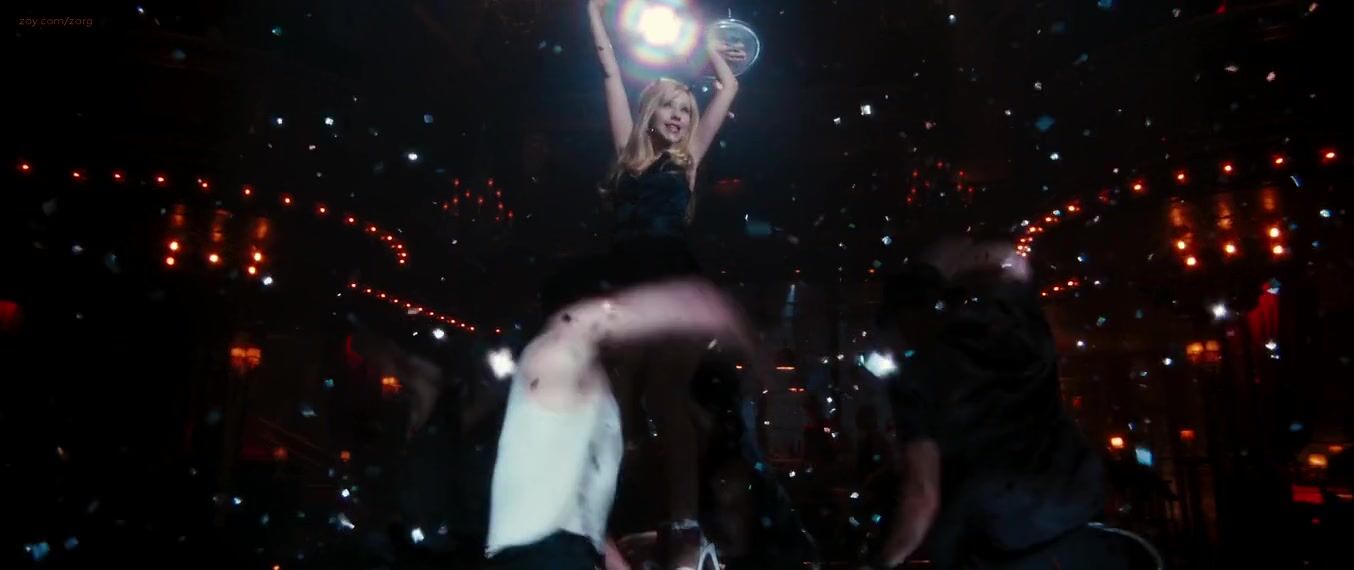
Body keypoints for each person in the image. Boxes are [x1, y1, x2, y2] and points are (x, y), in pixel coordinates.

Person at [585, 0, 744, 566]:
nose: (679, 115)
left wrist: (709, 48)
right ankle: (623, 519)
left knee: (665, 397)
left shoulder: (688, 161)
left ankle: (686, 526)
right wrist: (594, 11)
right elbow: (609, 70)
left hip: (675, 289)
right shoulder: (628, 154)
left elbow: (729, 89)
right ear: (651, 113)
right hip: (628, 293)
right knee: (621, 406)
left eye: (686, 109)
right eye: (671, 106)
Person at [485, 278, 768, 570]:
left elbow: (576, 512)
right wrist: (701, 306)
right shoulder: (553, 356)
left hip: (563, 550)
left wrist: (616, 562)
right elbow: (577, 323)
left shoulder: (590, 392)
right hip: (540, 554)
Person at [870, 239, 1119, 569]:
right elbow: (1013, 265)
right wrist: (955, 269)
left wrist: (887, 559)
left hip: (992, 538)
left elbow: (922, 494)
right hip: (1073, 521)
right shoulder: (1024, 338)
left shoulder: (916, 379)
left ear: (905, 316)